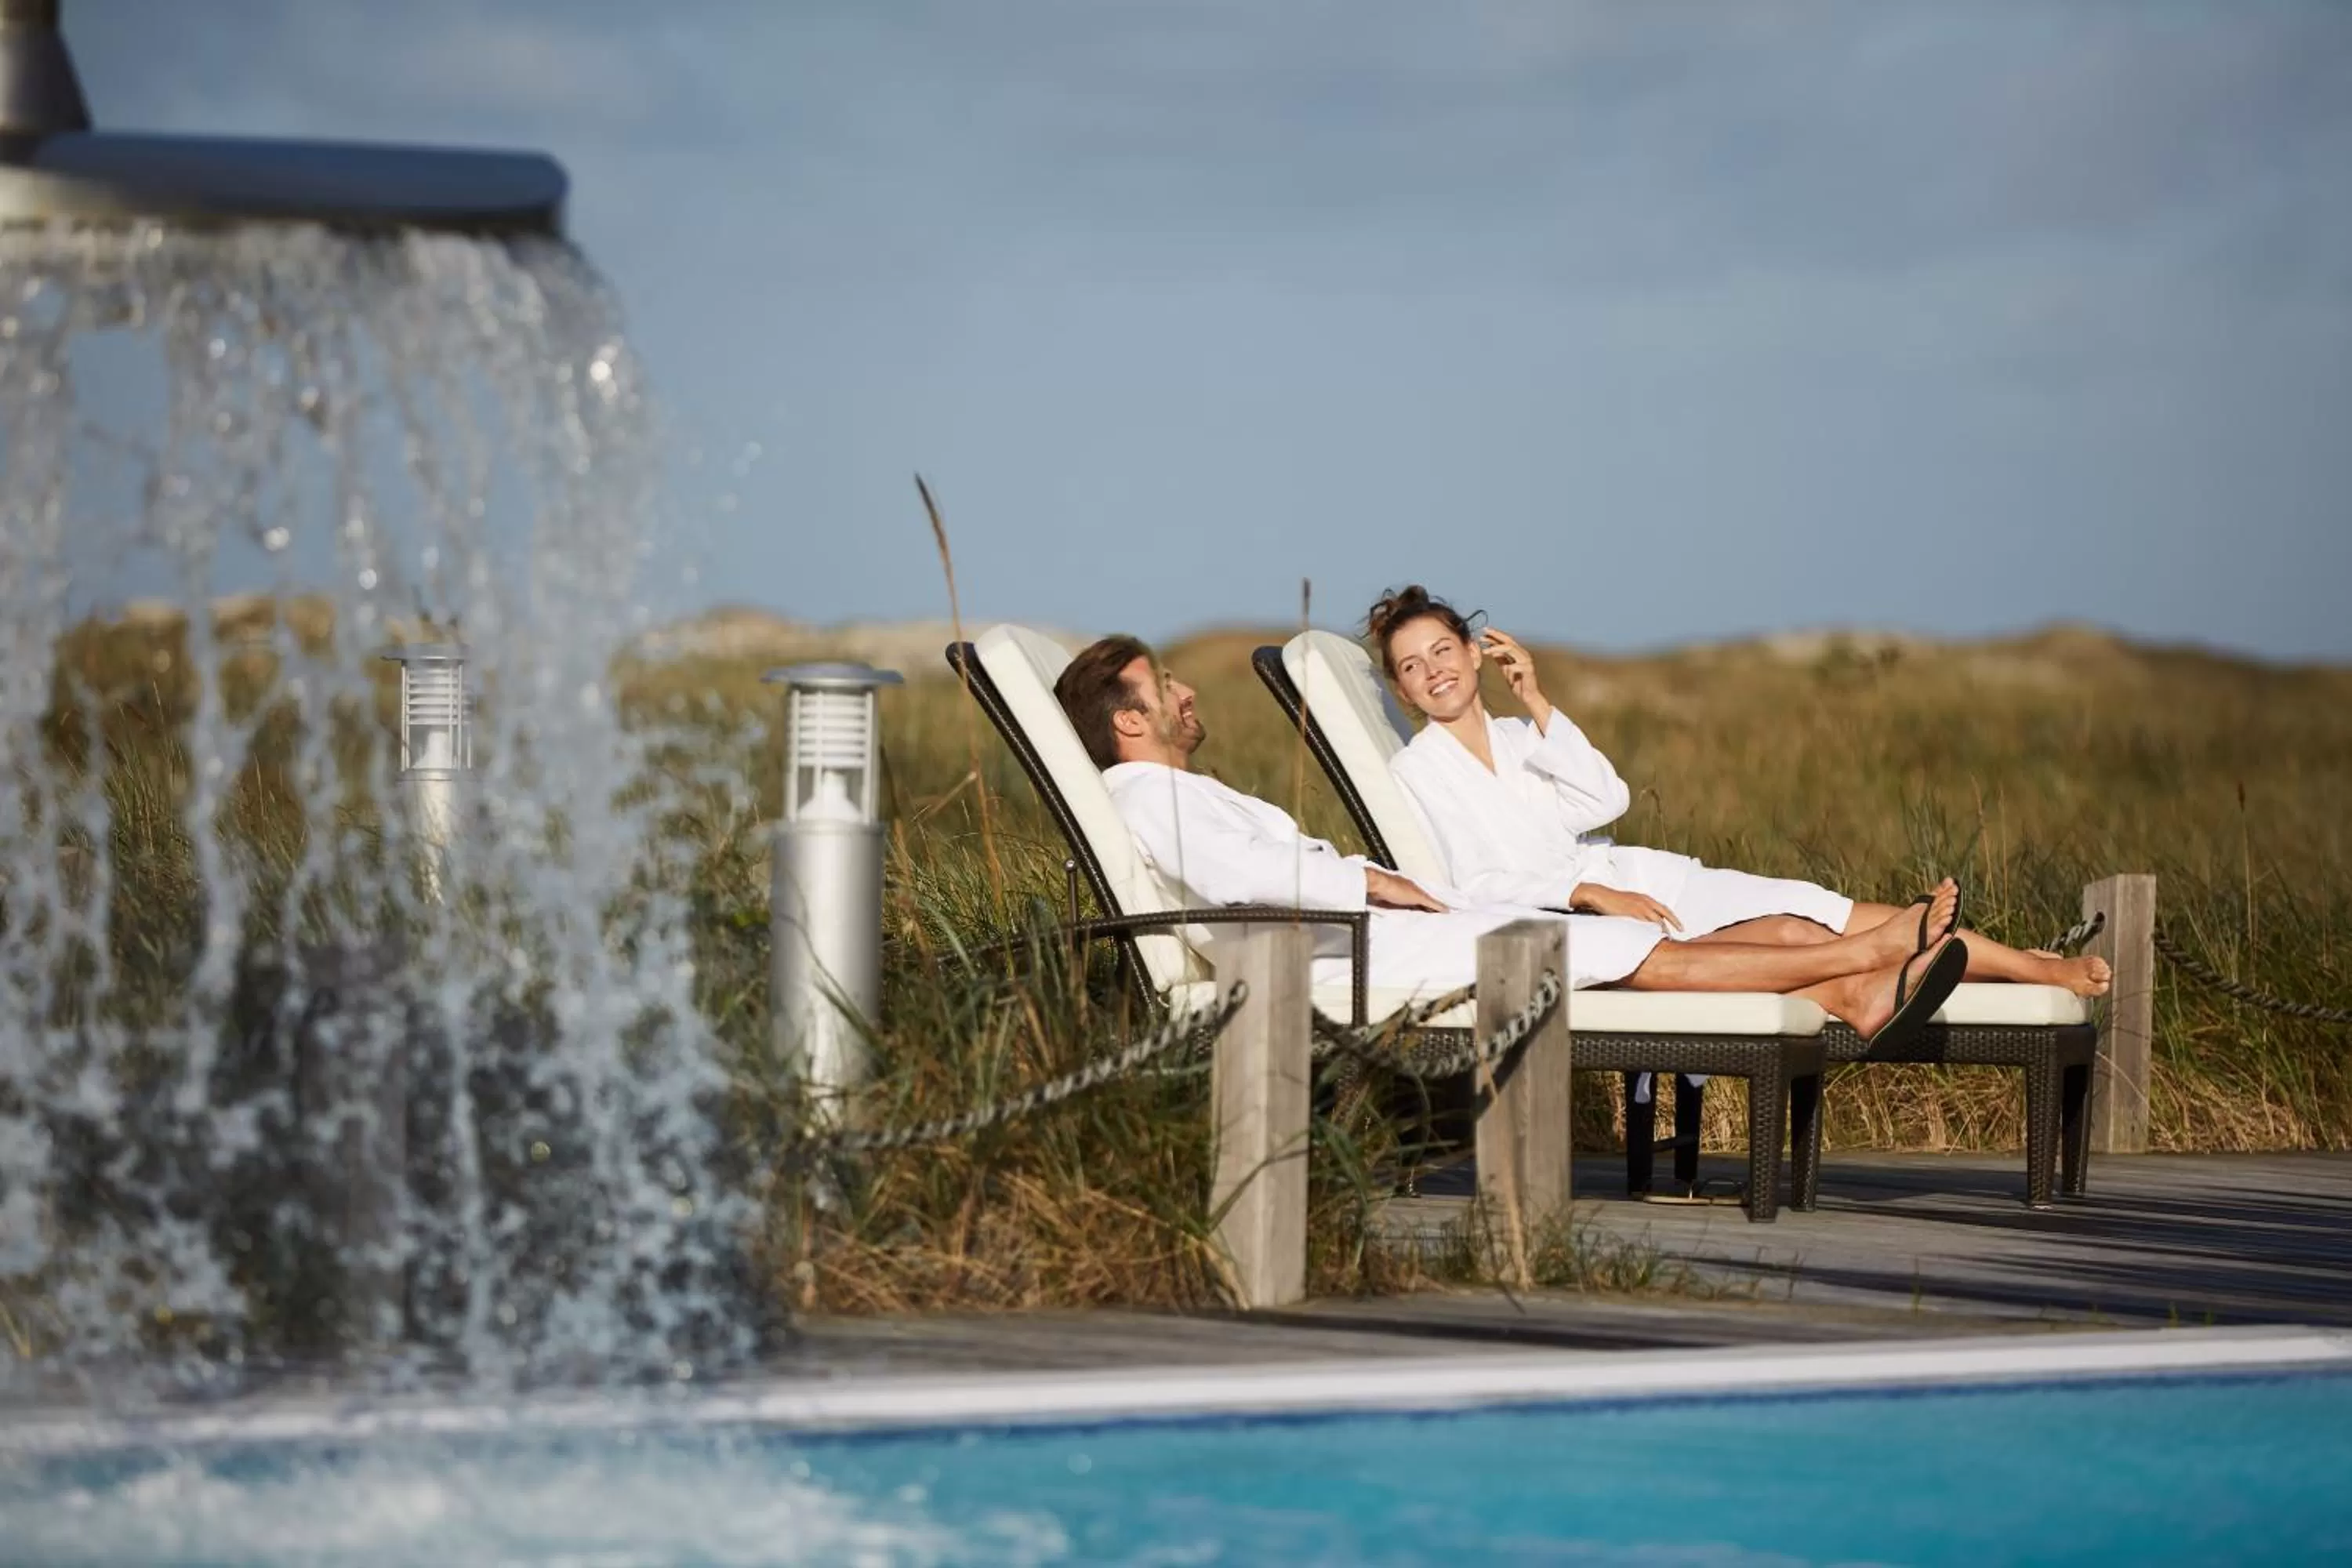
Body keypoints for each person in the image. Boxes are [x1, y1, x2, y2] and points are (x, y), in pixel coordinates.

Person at [1051, 633, 1967, 1044]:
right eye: (1163, 687)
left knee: (1625, 941)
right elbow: (1243, 875)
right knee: (1623, 949)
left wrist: (1376, 880)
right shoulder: (1147, 798)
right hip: (1340, 951)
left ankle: (1853, 981)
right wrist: (1371, 884)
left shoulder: (1179, 788)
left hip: (1370, 927)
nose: (1185, 694)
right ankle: (1858, 959)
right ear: (1128, 723)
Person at [1362, 585, 2112, 997]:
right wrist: (1589, 894)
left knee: (1826, 910)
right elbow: (1471, 883)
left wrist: (1539, 701)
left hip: (1651, 879)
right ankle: (1890, 985)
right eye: (1411, 666)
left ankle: (2029, 966)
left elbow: (1606, 802)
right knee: (1796, 936)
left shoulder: (1526, 738)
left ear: (1473, 651)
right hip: (1593, 913)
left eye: (1442, 650)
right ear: (1401, 691)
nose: (1434, 671)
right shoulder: (1415, 774)